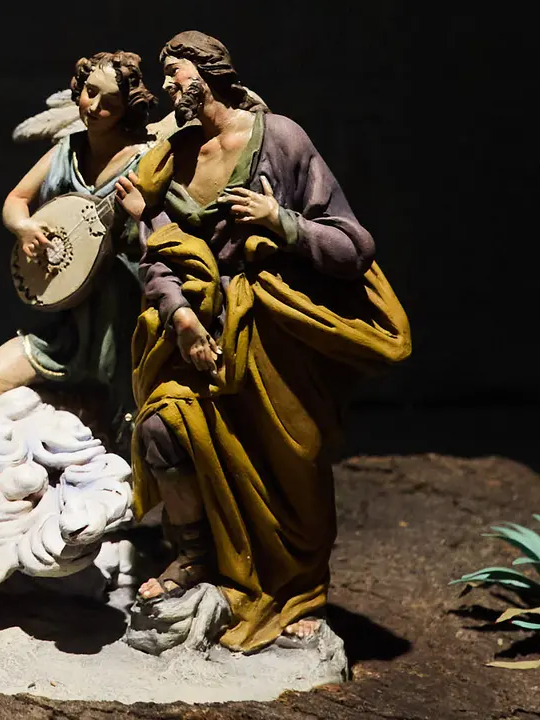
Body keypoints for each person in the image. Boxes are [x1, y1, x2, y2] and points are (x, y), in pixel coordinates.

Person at [114, 31, 411, 653]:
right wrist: (181, 318)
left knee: (291, 465)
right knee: (162, 432)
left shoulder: (280, 140)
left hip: (275, 336)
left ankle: (304, 590)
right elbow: (160, 257)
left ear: (212, 73)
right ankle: (196, 558)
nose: (167, 86)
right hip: (199, 333)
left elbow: (353, 245)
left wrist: (282, 222)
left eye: (176, 73)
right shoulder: (175, 154)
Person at [0, 51, 157, 449]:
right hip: (67, 319)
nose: (95, 107)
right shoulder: (64, 150)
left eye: (110, 102)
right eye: (91, 93)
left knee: (127, 423)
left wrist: (143, 214)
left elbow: (172, 229)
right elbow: (16, 199)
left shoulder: (147, 159)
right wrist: (24, 228)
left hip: (122, 321)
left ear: (126, 109)